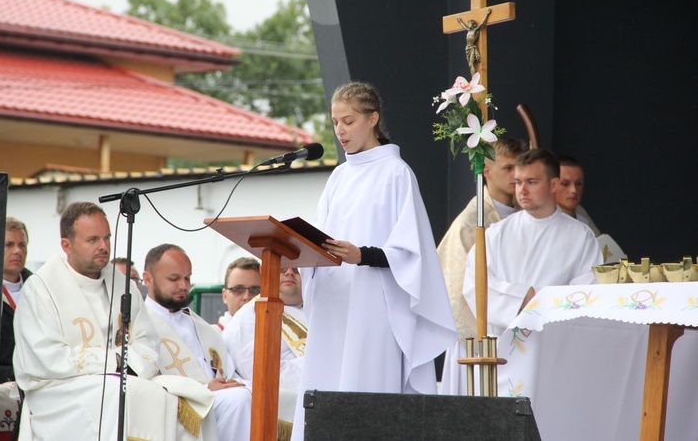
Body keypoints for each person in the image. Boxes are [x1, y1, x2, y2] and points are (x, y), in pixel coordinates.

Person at [291, 82, 457, 440]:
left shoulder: (396, 173)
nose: (340, 131)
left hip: (373, 305)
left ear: (373, 119)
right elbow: (321, 235)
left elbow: (414, 253)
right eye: (335, 122)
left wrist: (362, 255)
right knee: (328, 383)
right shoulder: (339, 176)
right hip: (335, 302)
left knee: (365, 391)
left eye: (348, 121)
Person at [13, 202, 212, 440]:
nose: (104, 247)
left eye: (107, 238)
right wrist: (116, 362)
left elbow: (147, 341)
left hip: (120, 379)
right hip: (56, 394)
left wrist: (129, 365)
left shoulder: (123, 285)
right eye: (92, 240)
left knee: (188, 397)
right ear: (67, 245)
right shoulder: (41, 289)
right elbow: (45, 357)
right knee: (123, 394)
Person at [463, 149, 602, 337]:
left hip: (556, 340)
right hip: (505, 345)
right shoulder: (496, 234)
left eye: (531, 182)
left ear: (553, 185)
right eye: (518, 182)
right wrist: (521, 297)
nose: (522, 190)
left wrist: (540, 303)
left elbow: (588, 291)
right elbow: (476, 285)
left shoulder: (581, 236)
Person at [141, 243, 251, 441]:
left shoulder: (201, 326)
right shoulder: (138, 324)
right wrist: (204, 389)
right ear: (147, 279)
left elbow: (229, 373)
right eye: (174, 279)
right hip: (175, 408)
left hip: (218, 403)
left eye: (187, 278)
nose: (184, 286)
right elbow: (143, 380)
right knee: (238, 400)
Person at [437, 137, 527, 343]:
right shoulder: (471, 222)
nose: (516, 175)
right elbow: (457, 283)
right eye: (508, 168)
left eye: (519, 167)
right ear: (487, 172)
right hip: (479, 337)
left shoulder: (524, 214)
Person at [223, 267, 306, 440]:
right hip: (281, 411)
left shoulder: (319, 310)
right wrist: (316, 366)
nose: (290, 273)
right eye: (282, 268)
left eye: (296, 269)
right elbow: (262, 372)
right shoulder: (250, 316)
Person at [0, 217, 33, 436]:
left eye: (22, 245)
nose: (17, 251)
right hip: (1, 386)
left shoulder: (41, 289)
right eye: (9, 245)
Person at [555, 155, 601, 236]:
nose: (574, 190)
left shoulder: (580, 212)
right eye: (565, 184)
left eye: (578, 184)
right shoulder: (539, 219)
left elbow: (600, 243)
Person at [216, 257, 261, 331]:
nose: (247, 297)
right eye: (238, 289)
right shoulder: (208, 337)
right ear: (225, 296)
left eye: (255, 290)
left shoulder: (276, 336)